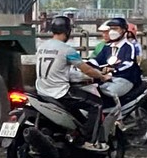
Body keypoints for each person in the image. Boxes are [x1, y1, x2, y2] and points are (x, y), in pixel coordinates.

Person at [34, 14, 108, 144]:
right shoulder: (67, 50)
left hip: (42, 91)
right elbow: (87, 69)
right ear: (67, 31)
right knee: (96, 105)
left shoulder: (42, 47)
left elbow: (60, 70)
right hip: (59, 93)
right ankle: (88, 141)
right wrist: (101, 76)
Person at [93, 16, 144, 103]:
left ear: (124, 30)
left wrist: (114, 69)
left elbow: (128, 63)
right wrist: (83, 65)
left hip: (125, 78)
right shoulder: (107, 47)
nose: (112, 32)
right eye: (111, 29)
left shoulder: (129, 46)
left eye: (116, 29)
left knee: (109, 91)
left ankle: (117, 113)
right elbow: (96, 60)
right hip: (109, 78)